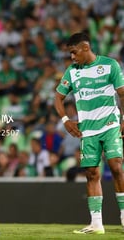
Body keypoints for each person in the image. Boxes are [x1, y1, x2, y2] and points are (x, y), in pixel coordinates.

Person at [54, 32, 124, 235]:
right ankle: (96, 224)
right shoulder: (72, 71)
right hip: (88, 130)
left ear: (86, 48)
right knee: (92, 173)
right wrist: (66, 121)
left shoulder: (110, 65)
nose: (72, 57)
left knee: (117, 166)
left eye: (74, 52)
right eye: (70, 54)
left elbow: (122, 94)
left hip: (110, 124)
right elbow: (58, 98)